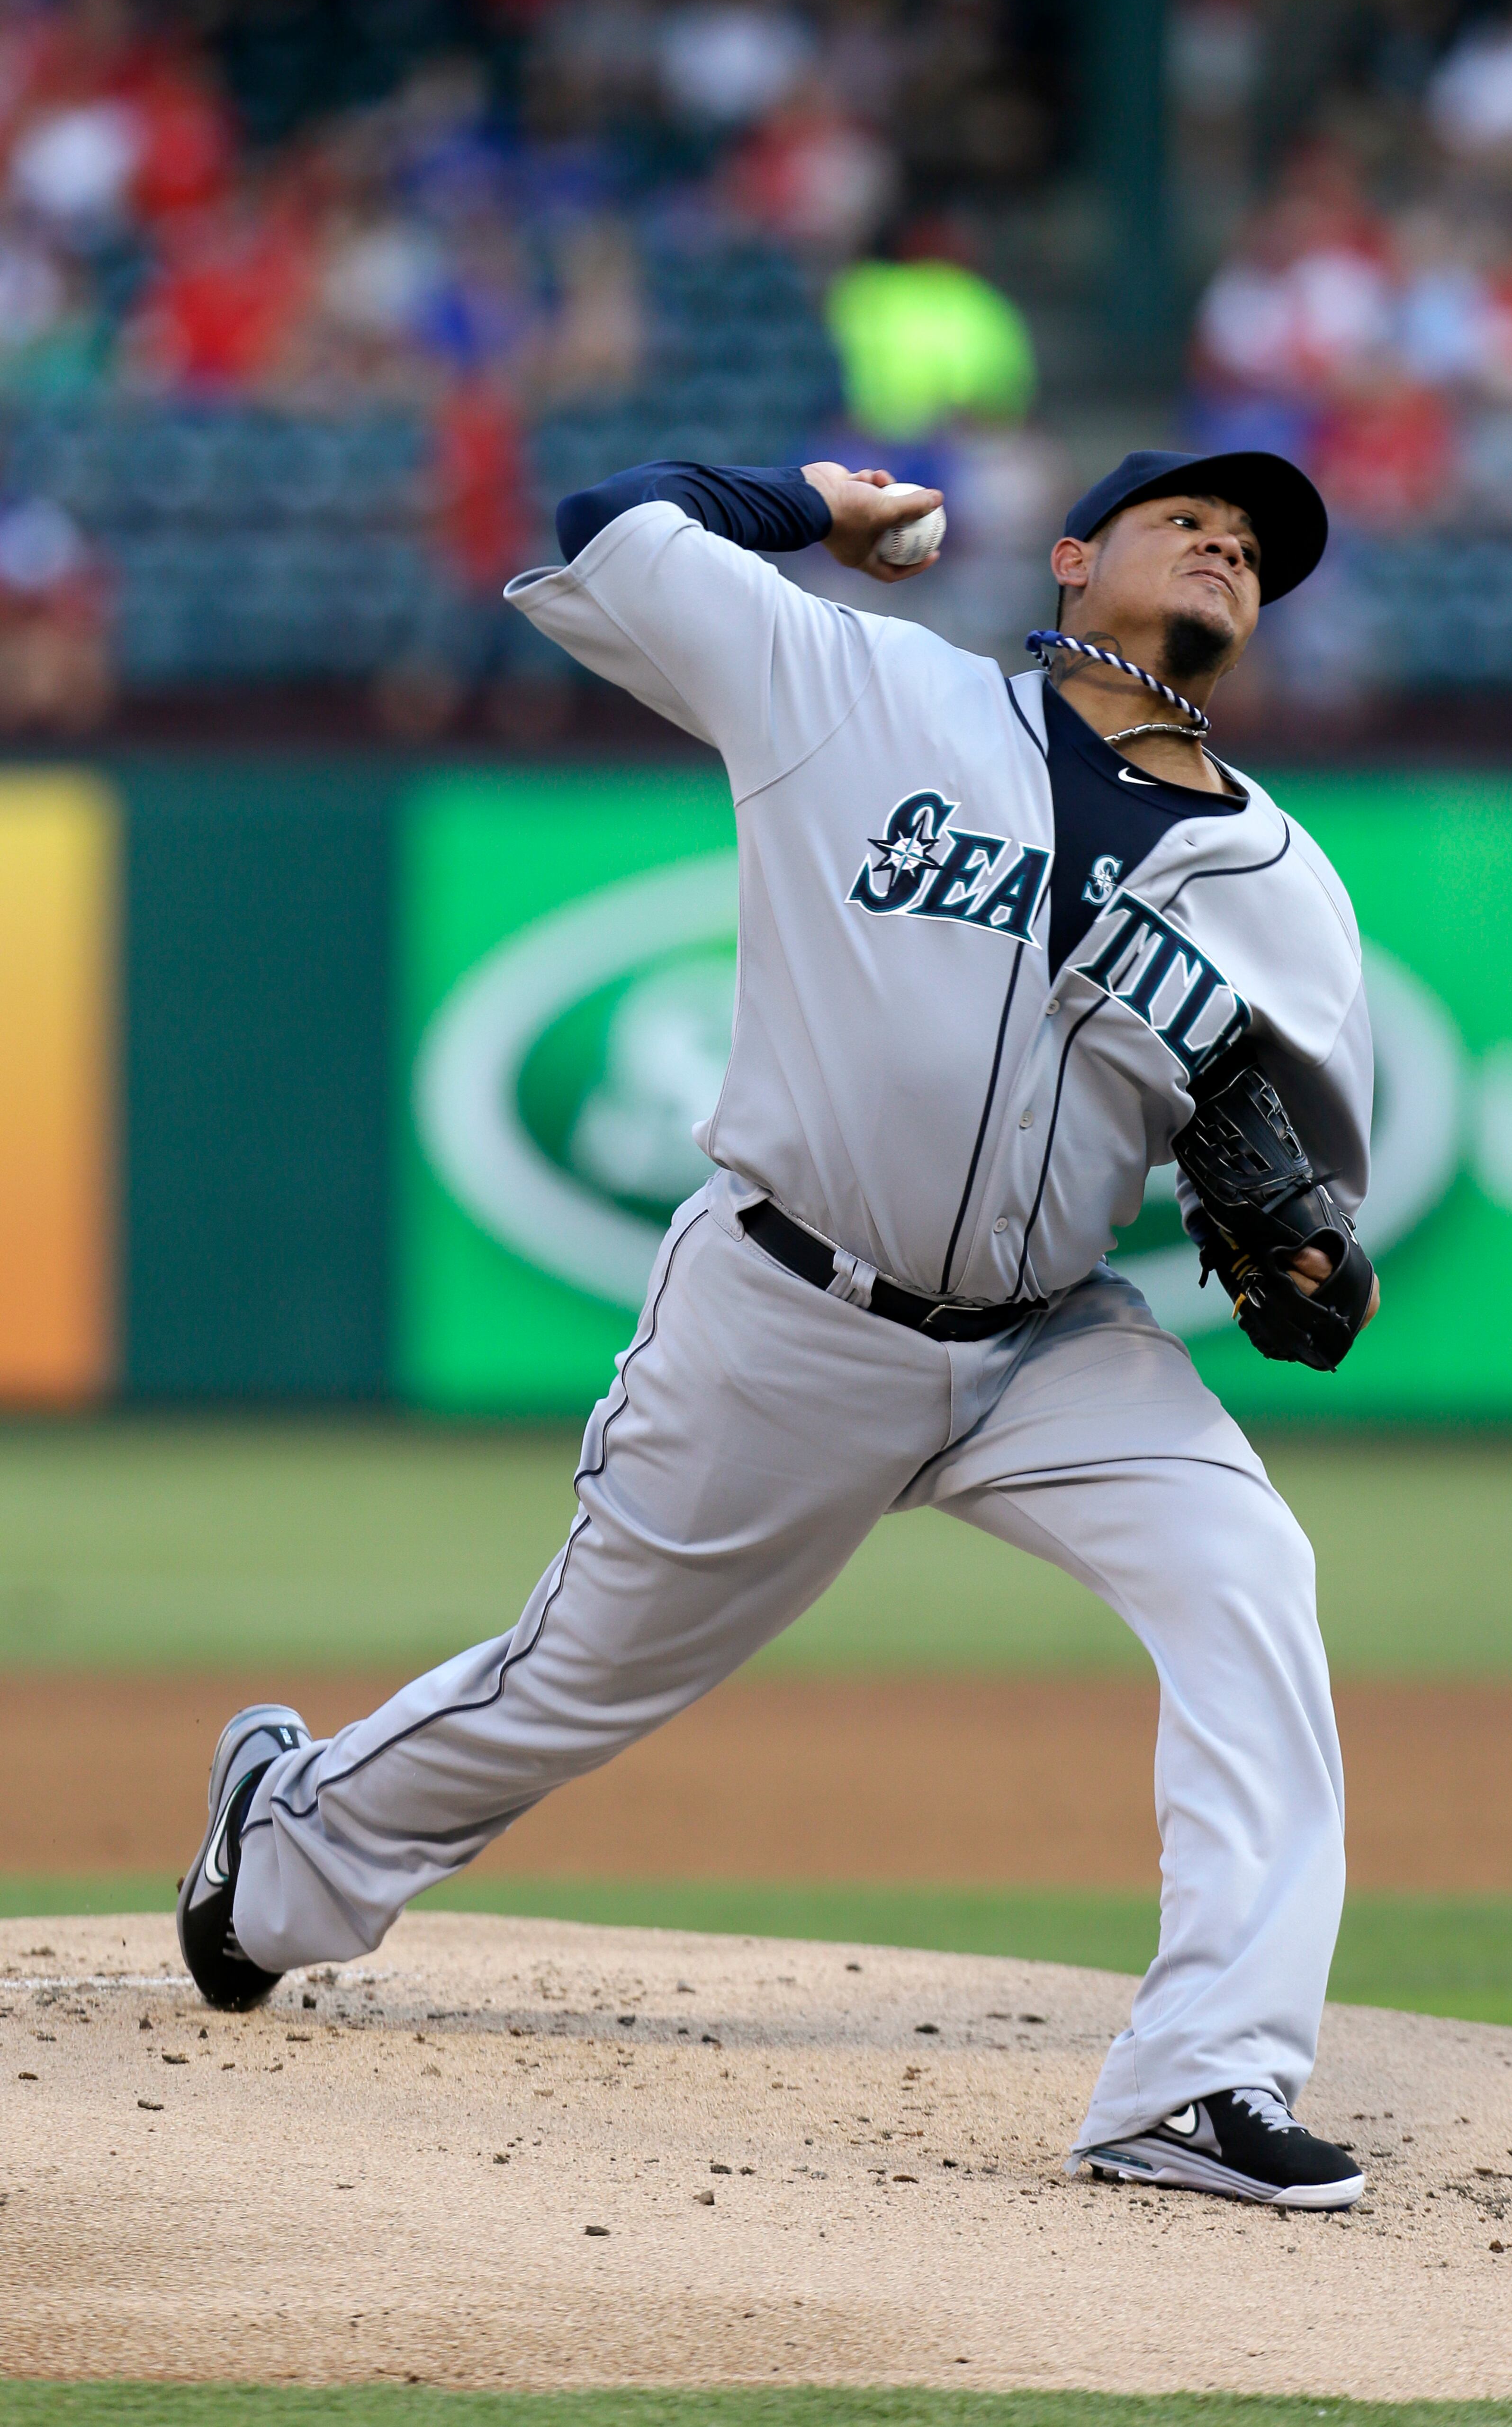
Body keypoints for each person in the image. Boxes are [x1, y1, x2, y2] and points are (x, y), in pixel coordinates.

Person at [179, 444, 1379, 2210]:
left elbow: (1312, 1247)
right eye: (1181, 513)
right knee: (575, 1679)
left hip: (1060, 1342)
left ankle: (1199, 2087)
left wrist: (1310, 1279)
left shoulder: (1288, 887)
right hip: (788, 1312)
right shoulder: (863, 686)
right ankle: (284, 1849)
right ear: (1068, 556)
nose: (1226, 540)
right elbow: (608, 530)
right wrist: (815, 504)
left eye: (1256, 542)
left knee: (1252, 1585)